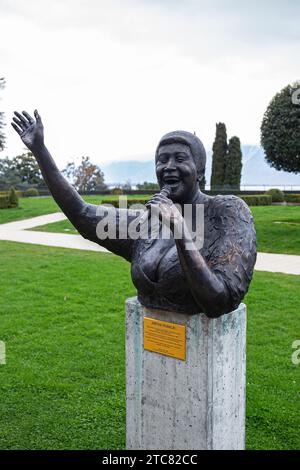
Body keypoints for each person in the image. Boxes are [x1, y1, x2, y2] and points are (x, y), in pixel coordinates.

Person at [11, 110, 256, 317]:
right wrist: (40, 151)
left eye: (180, 158)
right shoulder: (147, 221)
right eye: (162, 160)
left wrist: (180, 230)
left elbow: (219, 302)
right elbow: (82, 214)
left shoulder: (227, 211)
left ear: (199, 170)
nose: (169, 166)